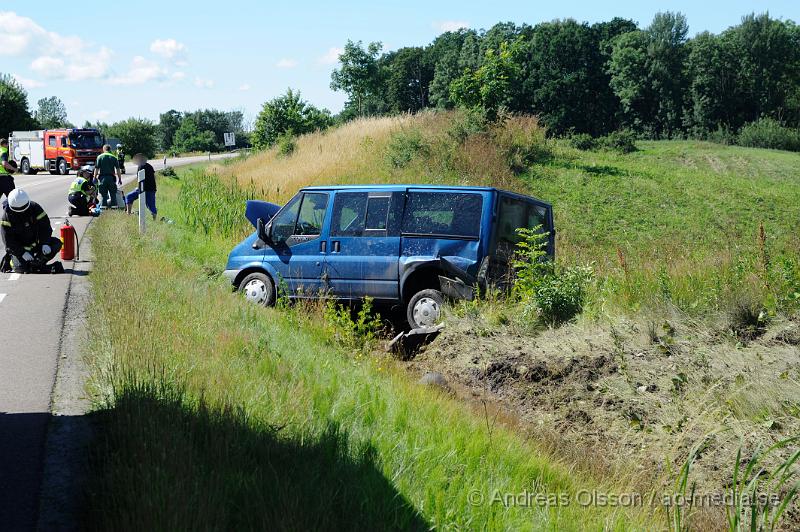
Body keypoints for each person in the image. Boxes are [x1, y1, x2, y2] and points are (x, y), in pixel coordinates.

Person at [0, 189, 63, 274]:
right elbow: (8, 241)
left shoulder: (35, 208)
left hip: (36, 244)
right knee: (21, 268)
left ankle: (36, 263)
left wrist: (45, 243)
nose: (22, 212)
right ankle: (13, 261)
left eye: (23, 209)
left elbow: (45, 227)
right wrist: (22, 253)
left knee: (56, 243)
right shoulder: (6, 217)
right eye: (18, 210)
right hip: (20, 249)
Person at [125, 153, 157, 219]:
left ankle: (128, 214)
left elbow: (139, 179)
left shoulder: (140, 167)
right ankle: (155, 219)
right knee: (151, 205)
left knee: (129, 196)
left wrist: (139, 187)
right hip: (152, 188)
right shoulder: (150, 166)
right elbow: (154, 177)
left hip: (143, 189)